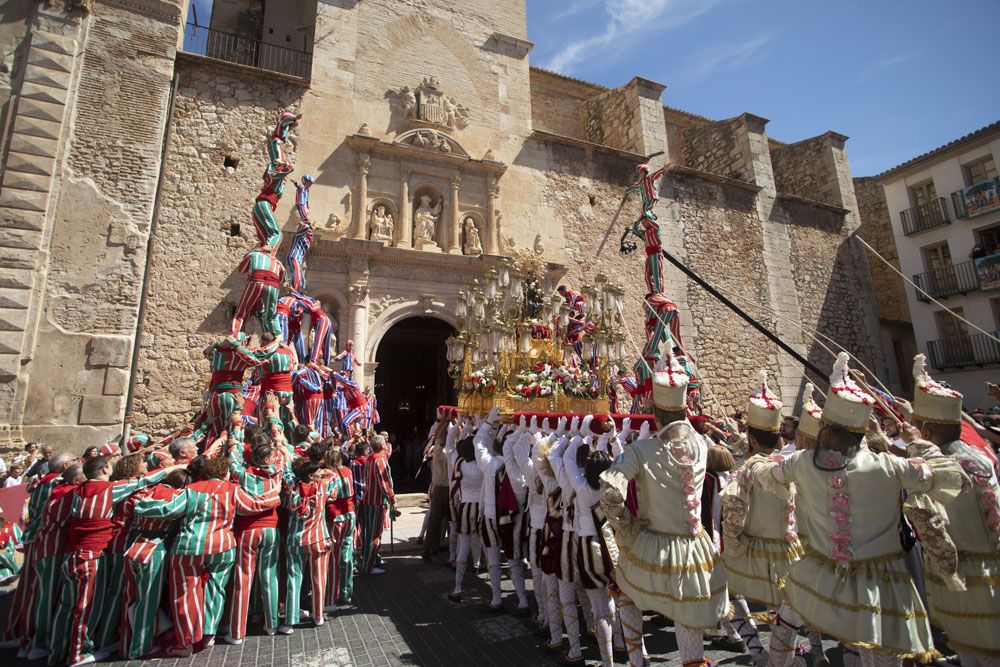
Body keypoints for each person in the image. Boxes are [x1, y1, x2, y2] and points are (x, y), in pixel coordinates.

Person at [752, 353, 962, 666]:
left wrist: (755, 458)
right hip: (881, 583)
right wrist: (916, 439)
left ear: (829, 432)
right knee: (877, 652)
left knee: (787, 625)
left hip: (822, 574)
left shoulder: (801, 463)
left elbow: (763, 473)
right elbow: (945, 472)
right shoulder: (892, 466)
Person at [599, 355, 729, 667]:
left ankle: (636, 662)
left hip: (650, 544)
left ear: (653, 414)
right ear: (685, 409)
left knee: (626, 594)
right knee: (688, 617)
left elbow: (608, 491)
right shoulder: (702, 443)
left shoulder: (641, 450)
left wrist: (626, 527)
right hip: (695, 548)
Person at [133, 455, 280, 657]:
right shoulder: (233, 490)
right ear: (222, 473)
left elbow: (170, 510)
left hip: (189, 547)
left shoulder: (192, 490)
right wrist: (274, 495)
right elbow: (251, 507)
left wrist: (141, 506)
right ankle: (208, 634)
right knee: (216, 590)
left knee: (185, 594)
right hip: (223, 546)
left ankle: (186, 642)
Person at [909, 354, 1000, 665]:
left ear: (927, 433)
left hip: (965, 579)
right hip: (995, 567)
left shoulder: (936, 471)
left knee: (977, 654)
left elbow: (928, 526)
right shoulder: (982, 457)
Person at [47, 454, 169, 666]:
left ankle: (55, 650)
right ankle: (79, 653)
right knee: (87, 607)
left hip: (71, 554)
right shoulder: (109, 490)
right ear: (104, 470)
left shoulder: (77, 492)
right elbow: (144, 481)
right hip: (92, 555)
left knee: (66, 605)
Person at [720, 371, 803, 666]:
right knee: (787, 610)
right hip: (790, 550)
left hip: (753, 552)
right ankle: (790, 656)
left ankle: (760, 653)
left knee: (727, 595)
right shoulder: (791, 464)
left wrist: (734, 544)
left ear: (752, 439)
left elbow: (733, 509)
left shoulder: (746, 472)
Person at [1, 450, 75, 652]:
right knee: (40, 590)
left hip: (39, 538)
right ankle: (32, 638)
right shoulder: (54, 483)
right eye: (74, 462)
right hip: (44, 540)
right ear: (66, 467)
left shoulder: (44, 482)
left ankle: (23, 632)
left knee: (32, 587)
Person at [118, 467, 191, 659]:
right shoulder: (179, 494)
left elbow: (128, 507)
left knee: (130, 598)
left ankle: (125, 645)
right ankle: (140, 648)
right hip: (154, 549)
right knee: (148, 602)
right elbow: (176, 512)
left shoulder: (145, 491)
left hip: (134, 545)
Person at [222, 430, 285, 645]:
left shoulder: (244, 475)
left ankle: (237, 631)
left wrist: (235, 441)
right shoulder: (277, 473)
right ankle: (272, 624)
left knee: (243, 578)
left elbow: (232, 462)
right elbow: (283, 456)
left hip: (248, 530)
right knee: (269, 576)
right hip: (271, 529)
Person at [23, 463, 84, 661]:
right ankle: (41, 641)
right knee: (46, 597)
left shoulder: (56, 487)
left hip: (50, 546)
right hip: (52, 548)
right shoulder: (67, 492)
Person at [474, 409, 529, 614]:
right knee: (514, 561)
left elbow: (479, 445)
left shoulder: (490, 465)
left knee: (494, 560)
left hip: (490, 516)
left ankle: (497, 598)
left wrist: (488, 423)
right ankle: (523, 600)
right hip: (511, 518)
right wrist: (521, 430)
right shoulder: (520, 471)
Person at [280, 459, 337, 633]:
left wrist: (286, 455)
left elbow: (286, 473)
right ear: (311, 476)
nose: (321, 472)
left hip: (295, 540)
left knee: (293, 579)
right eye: (317, 471)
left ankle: (290, 621)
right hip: (317, 539)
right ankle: (318, 616)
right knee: (319, 578)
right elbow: (334, 475)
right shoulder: (322, 488)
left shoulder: (293, 489)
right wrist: (325, 472)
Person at [446, 421, 483, 602]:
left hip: (466, 507)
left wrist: (461, 423)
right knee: (491, 548)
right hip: (482, 508)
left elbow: (449, 444)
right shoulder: (483, 466)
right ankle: (497, 595)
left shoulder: (459, 464)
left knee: (463, 547)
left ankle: (457, 587)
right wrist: (482, 424)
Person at [358, 434, 395, 574]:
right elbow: (384, 484)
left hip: (369, 500)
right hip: (376, 501)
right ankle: (369, 565)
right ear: (381, 446)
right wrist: (392, 499)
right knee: (374, 535)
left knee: (371, 533)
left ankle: (375, 559)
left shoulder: (371, 458)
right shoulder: (379, 460)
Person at [326, 449, 355, 606]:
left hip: (336, 517)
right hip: (350, 514)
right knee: (347, 554)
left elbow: (330, 495)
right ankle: (346, 591)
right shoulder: (348, 471)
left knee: (334, 558)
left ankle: (333, 595)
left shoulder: (330, 475)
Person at [421, 420, 451, 563]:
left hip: (439, 489)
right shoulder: (450, 452)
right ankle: (449, 551)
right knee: (450, 522)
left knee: (435, 521)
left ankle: (430, 548)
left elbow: (438, 436)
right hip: (447, 490)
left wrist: (444, 421)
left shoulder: (439, 451)